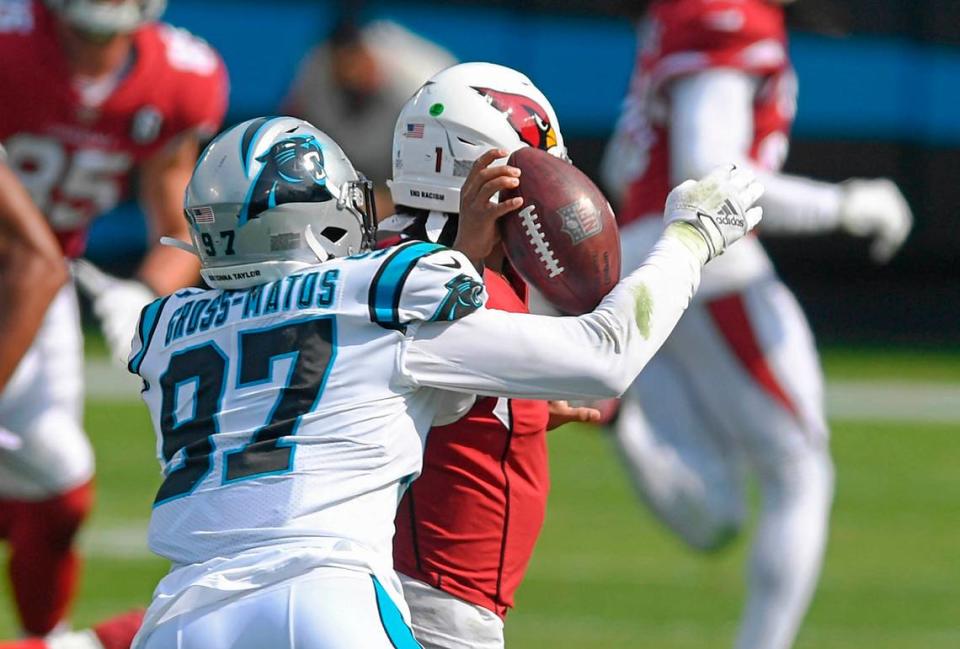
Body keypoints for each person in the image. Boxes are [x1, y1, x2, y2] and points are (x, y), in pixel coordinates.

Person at [127, 114, 762, 648]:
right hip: (322, 596)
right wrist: (690, 238)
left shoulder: (166, 328)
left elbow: (327, 400)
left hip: (178, 616)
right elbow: (606, 355)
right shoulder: (375, 290)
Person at [600, 2, 913, 648]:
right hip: (699, 261)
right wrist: (845, 205)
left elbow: (622, 166)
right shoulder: (728, 15)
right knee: (800, 467)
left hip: (640, 261)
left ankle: (616, 416)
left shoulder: (678, 15)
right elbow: (711, 175)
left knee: (718, 513)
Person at [0, 0, 228, 638]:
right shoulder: (10, 43)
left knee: (59, 479)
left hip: (36, 284)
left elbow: (178, 228)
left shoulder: (180, 77)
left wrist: (142, 294)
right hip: (31, 270)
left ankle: (44, 638)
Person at [384, 63, 598, 649]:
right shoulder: (466, 291)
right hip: (432, 601)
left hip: (398, 584)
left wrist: (509, 404)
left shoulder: (389, 260)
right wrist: (689, 241)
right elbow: (612, 358)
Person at [284, 14, 456, 215]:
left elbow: (443, 180)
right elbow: (289, 131)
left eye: (357, 61)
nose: (352, 73)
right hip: (345, 186)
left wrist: (389, 202)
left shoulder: (422, 88)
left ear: (369, 54)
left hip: (414, 197)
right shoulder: (315, 73)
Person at [0, 147, 69, 394]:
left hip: (26, 286)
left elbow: (44, 265)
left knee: (51, 428)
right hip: (27, 282)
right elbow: (43, 263)